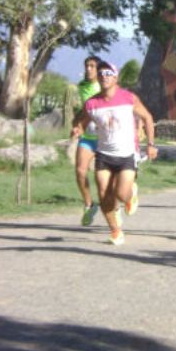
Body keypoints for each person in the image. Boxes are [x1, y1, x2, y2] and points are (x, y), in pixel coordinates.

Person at [71, 61, 158, 245]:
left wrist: (151, 144)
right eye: (101, 74)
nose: (104, 76)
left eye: (108, 73)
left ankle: (131, 194)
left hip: (126, 155)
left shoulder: (128, 98)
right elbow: (83, 122)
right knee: (104, 194)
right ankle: (115, 231)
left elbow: (147, 117)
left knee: (120, 194)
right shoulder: (92, 103)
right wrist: (78, 129)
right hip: (104, 154)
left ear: (115, 77)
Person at [74, 55, 101, 226]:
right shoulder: (82, 86)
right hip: (88, 137)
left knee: (104, 178)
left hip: (105, 138)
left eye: (92, 66)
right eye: (86, 66)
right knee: (80, 171)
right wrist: (77, 124)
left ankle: (114, 207)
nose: (88, 69)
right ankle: (89, 205)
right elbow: (84, 109)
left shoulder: (105, 86)